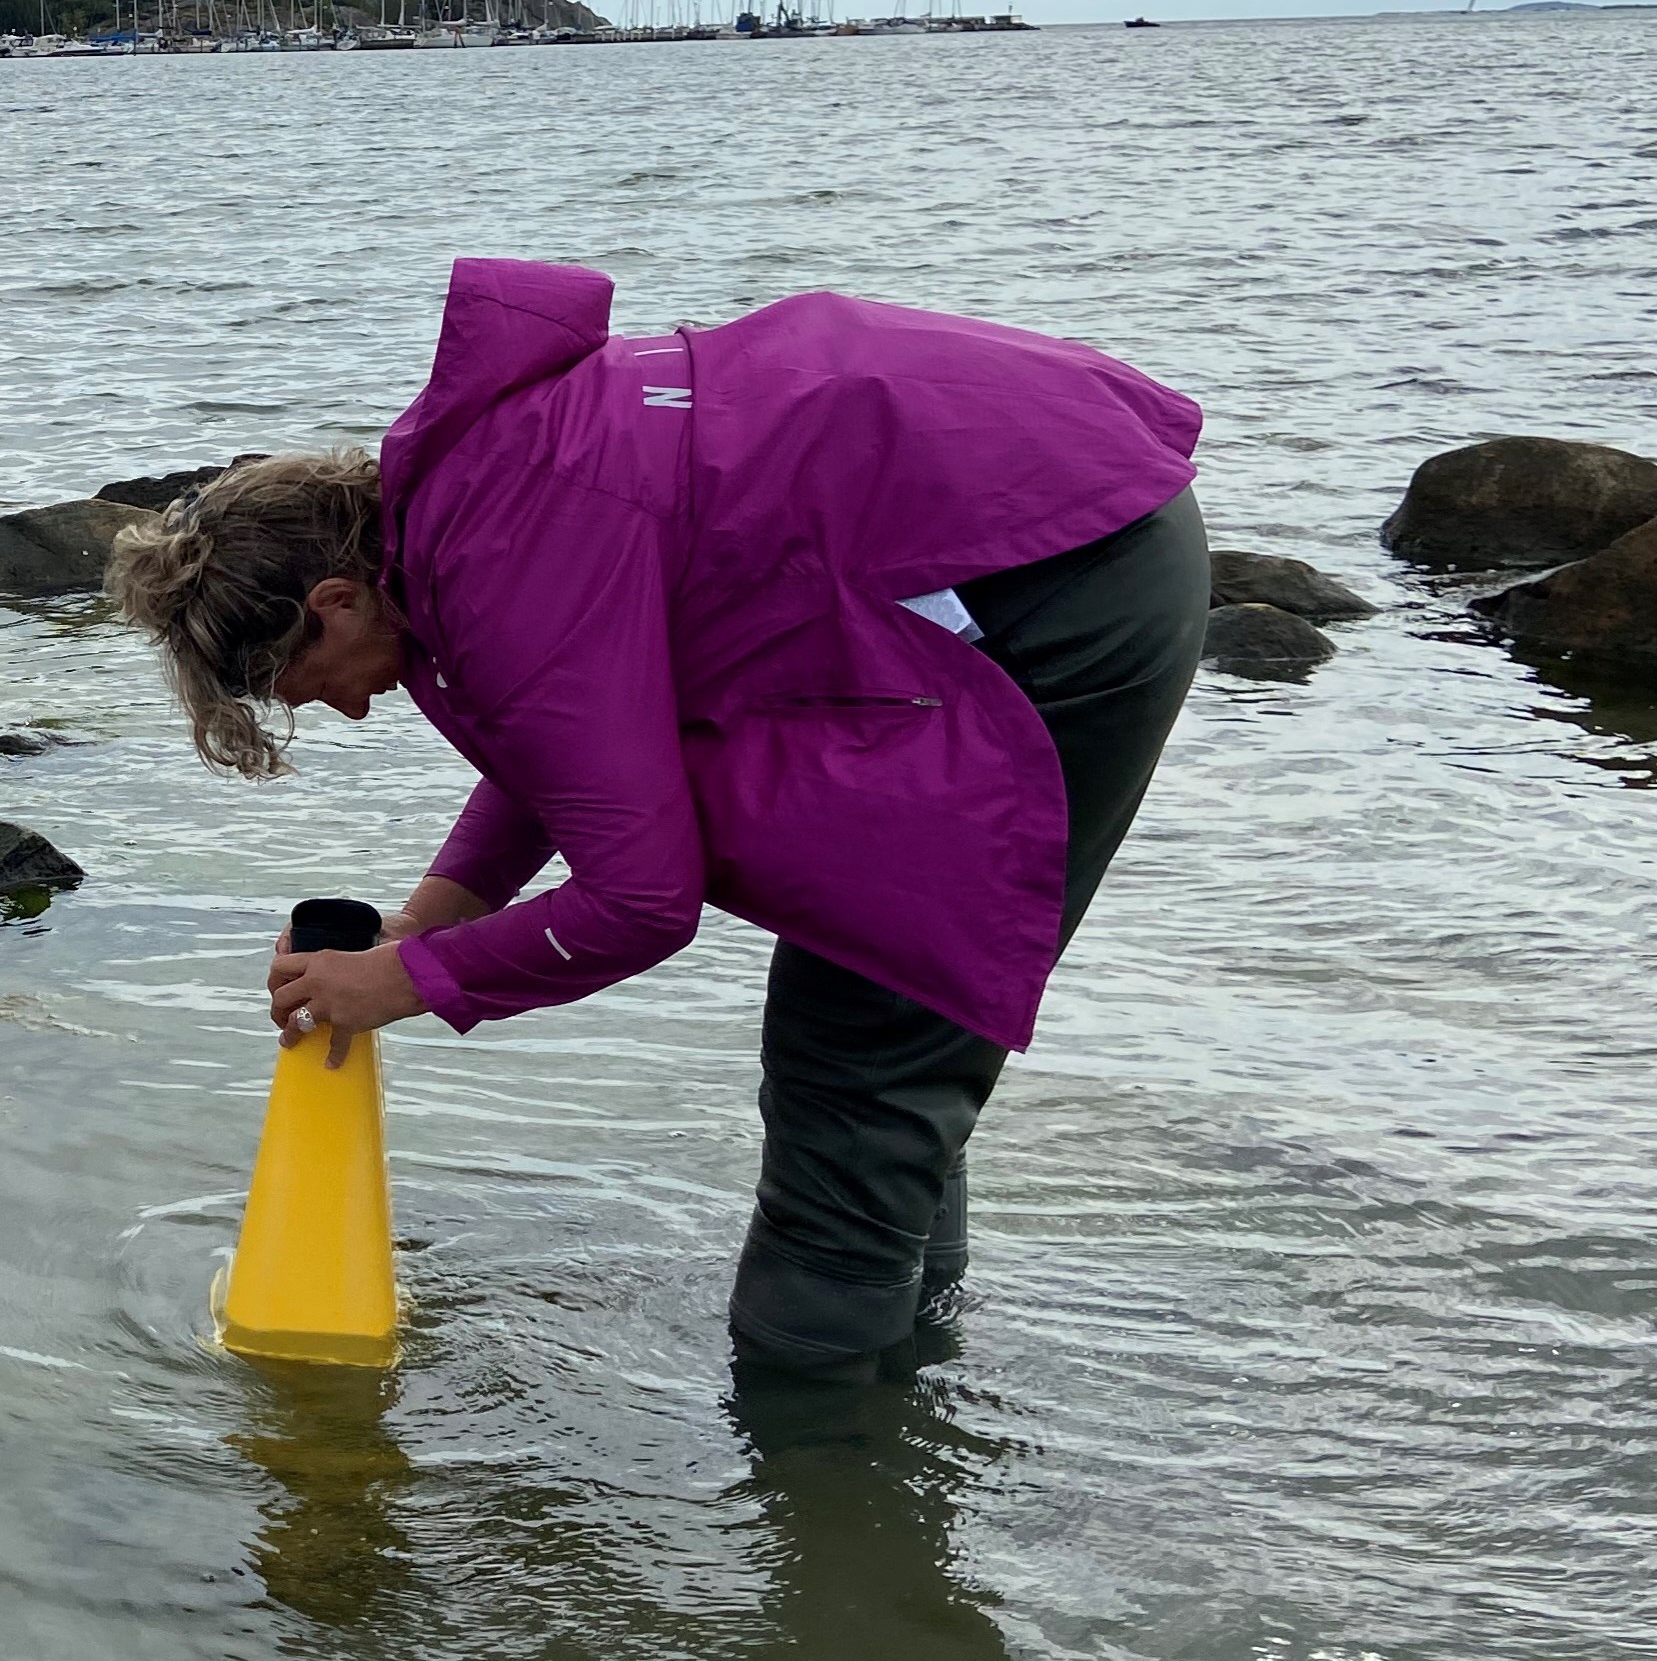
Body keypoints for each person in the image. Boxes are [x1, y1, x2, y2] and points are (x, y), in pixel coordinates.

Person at [109, 258, 1209, 1379]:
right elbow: (570, 733)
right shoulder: (467, 506)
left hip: (1063, 564)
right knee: (875, 1027)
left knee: (859, 1048)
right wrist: (435, 917)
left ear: (333, 601)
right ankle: (914, 1364)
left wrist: (407, 985)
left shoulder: (502, 557)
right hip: (1056, 500)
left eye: (299, 680)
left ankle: (821, 1442)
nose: (335, 706)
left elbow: (639, 903)